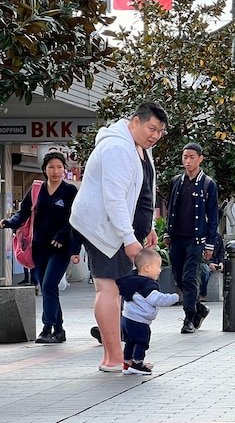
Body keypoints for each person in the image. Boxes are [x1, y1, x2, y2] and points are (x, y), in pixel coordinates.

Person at [69, 102, 166, 372]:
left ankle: (120, 356)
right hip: (103, 227)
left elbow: (143, 190)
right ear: (135, 121)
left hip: (123, 229)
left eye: (160, 131)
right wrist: (128, 238)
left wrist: (147, 227)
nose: (155, 135)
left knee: (119, 290)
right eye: (151, 128)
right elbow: (114, 199)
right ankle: (112, 358)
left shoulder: (140, 148)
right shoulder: (116, 148)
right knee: (108, 288)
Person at [1, 152, 80, 343]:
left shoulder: (70, 191)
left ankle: (46, 328)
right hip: (38, 248)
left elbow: (75, 218)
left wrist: (64, 237)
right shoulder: (37, 189)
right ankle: (59, 330)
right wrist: (9, 222)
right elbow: (24, 213)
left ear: (64, 169)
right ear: (44, 169)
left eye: (59, 167)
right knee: (48, 289)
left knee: (49, 284)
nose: (55, 171)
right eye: (51, 167)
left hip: (60, 248)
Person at [164, 142, 219, 334]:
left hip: (196, 241)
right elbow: (171, 208)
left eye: (192, 157)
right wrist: (167, 233)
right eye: (185, 157)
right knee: (178, 277)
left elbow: (213, 217)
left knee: (189, 278)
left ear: (200, 159)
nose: (187, 161)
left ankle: (188, 318)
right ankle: (199, 309)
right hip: (177, 239)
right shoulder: (176, 182)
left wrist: (210, 244)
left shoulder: (208, 184)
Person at [116, 249, 180, 375]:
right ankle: (137, 364)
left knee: (130, 342)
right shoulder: (147, 284)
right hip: (139, 321)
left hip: (127, 319)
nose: (160, 270)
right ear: (147, 267)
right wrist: (174, 297)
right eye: (158, 266)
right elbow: (156, 299)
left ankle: (127, 363)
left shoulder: (132, 280)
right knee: (141, 342)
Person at [198, 231, 225, 301]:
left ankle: (227, 292)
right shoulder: (200, 235)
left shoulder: (217, 236)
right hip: (203, 262)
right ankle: (202, 294)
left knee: (232, 266)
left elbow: (221, 252)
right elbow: (198, 253)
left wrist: (221, 262)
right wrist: (209, 263)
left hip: (215, 261)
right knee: (205, 270)